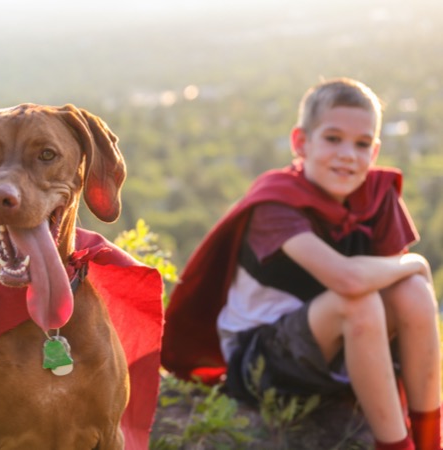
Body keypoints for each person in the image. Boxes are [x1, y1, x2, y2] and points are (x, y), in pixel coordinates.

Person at [161, 77, 441, 450]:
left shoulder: (378, 195)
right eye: (332, 138)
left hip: (344, 346)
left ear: (374, 153)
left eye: (361, 144)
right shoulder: (276, 204)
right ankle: (396, 446)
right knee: (358, 300)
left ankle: (429, 440)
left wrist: (411, 272)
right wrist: (416, 261)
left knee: (413, 293)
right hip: (262, 361)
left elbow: (396, 295)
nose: (347, 154)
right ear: (300, 143)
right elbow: (348, 280)